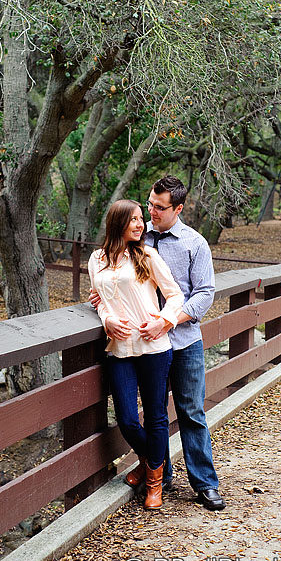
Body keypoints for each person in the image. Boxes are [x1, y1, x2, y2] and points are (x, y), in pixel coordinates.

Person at [91, 177, 226, 511]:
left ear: (177, 209)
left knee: (190, 412)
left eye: (158, 208)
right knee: (147, 416)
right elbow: (110, 286)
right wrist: (103, 303)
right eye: (149, 204)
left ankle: (204, 484)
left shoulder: (194, 243)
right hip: (139, 344)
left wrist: (166, 321)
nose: (150, 212)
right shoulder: (137, 235)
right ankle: (158, 473)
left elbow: (204, 294)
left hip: (181, 340)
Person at [88, 199, 183, 510]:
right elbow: (98, 300)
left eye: (142, 219)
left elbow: (174, 295)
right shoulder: (96, 260)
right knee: (127, 419)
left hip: (153, 347)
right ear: (117, 222)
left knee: (156, 416)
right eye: (133, 219)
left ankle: (153, 481)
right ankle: (158, 465)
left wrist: (162, 322)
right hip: (119, 349)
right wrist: (106, 319)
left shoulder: (147, 255)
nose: (141, 224)